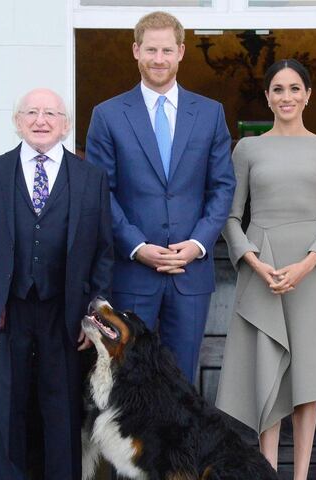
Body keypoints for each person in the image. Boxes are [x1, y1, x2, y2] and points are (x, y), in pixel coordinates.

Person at [0, 88, 113, 480]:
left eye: (51, 113)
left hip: (65, 314)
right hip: (7, 313)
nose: (41, 120)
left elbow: (104, 252)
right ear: (17, 120)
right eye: (32, 112)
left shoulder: (90, 178)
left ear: (66, 124)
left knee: (61, 409)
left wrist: (94, 313)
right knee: (9, 410)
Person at [215, 59, 316, 480]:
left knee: (308, 382)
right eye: (277, 89)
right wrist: (253, 259)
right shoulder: (247, 148)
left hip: (310, 271)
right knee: (266, 373)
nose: (286, 96)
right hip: (263, 266)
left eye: (295, 88)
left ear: (309, 94)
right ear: (267, 97)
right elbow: (230, 217)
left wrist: (310, 263)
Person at [85, 11, 236, 383]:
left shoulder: (210, 113)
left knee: (181, 381)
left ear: (181, 52)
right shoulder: (107, 116)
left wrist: (198, 243)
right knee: (128, 382)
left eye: (167, 50)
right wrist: (137, 246)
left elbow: (222, 187)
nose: (158, 59)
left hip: (190, 273)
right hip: (133, 273)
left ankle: (176, 447)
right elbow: (101, 193)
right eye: (150, 49)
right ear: (136, 50)